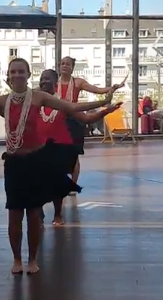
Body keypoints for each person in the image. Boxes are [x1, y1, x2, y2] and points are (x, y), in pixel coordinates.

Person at [0, 58, 114, 274]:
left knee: (34, 214)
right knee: (14, 214)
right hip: (14, 163)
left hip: (35, 161)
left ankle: (32, 259)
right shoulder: (2, 101)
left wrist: (102, 102)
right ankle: (17, 259)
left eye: (21, 71)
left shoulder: (38, 97)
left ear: (27, 75)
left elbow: (71, 107)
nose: (17, 75)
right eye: (13, 72)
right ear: (8, 75)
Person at [38, 69, 122, 226]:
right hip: (38, 150)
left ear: (55, 83)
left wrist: (105, 110)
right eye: (41, 79)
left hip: (57, 150)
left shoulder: (62, 104)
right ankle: (39, 210)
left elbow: (86, 117)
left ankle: (57, 214)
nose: (43, 82)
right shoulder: (34, 102)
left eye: (47, 79)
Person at [56, 56, 123, 188]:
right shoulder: (54, 82)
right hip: (58, 121)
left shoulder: (78, 82)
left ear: (72, 68)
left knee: (74, 155)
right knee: (58, 154)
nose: (64, 66)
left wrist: (111, 89)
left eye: (67, 64)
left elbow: (96, 90)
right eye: (62, 63)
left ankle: (73, 185)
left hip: (74, 119)